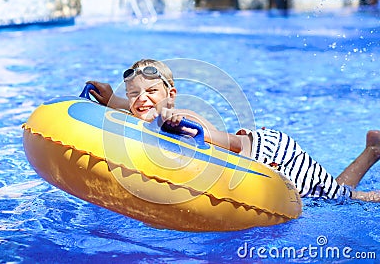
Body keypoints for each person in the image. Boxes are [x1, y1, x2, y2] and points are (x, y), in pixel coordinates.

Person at [87, 58, 380, 203]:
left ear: (171, 95)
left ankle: (373, 168)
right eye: (134, 93)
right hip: (263, 147)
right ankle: (373, 150)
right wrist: (113, 100)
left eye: (151, 90)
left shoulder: (182, 118)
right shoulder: (146, 109)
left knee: (343, 199)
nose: (141, 99)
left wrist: (172, 122)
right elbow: (143, 110)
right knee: (333, 190)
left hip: (275, 158)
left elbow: (222, 141)